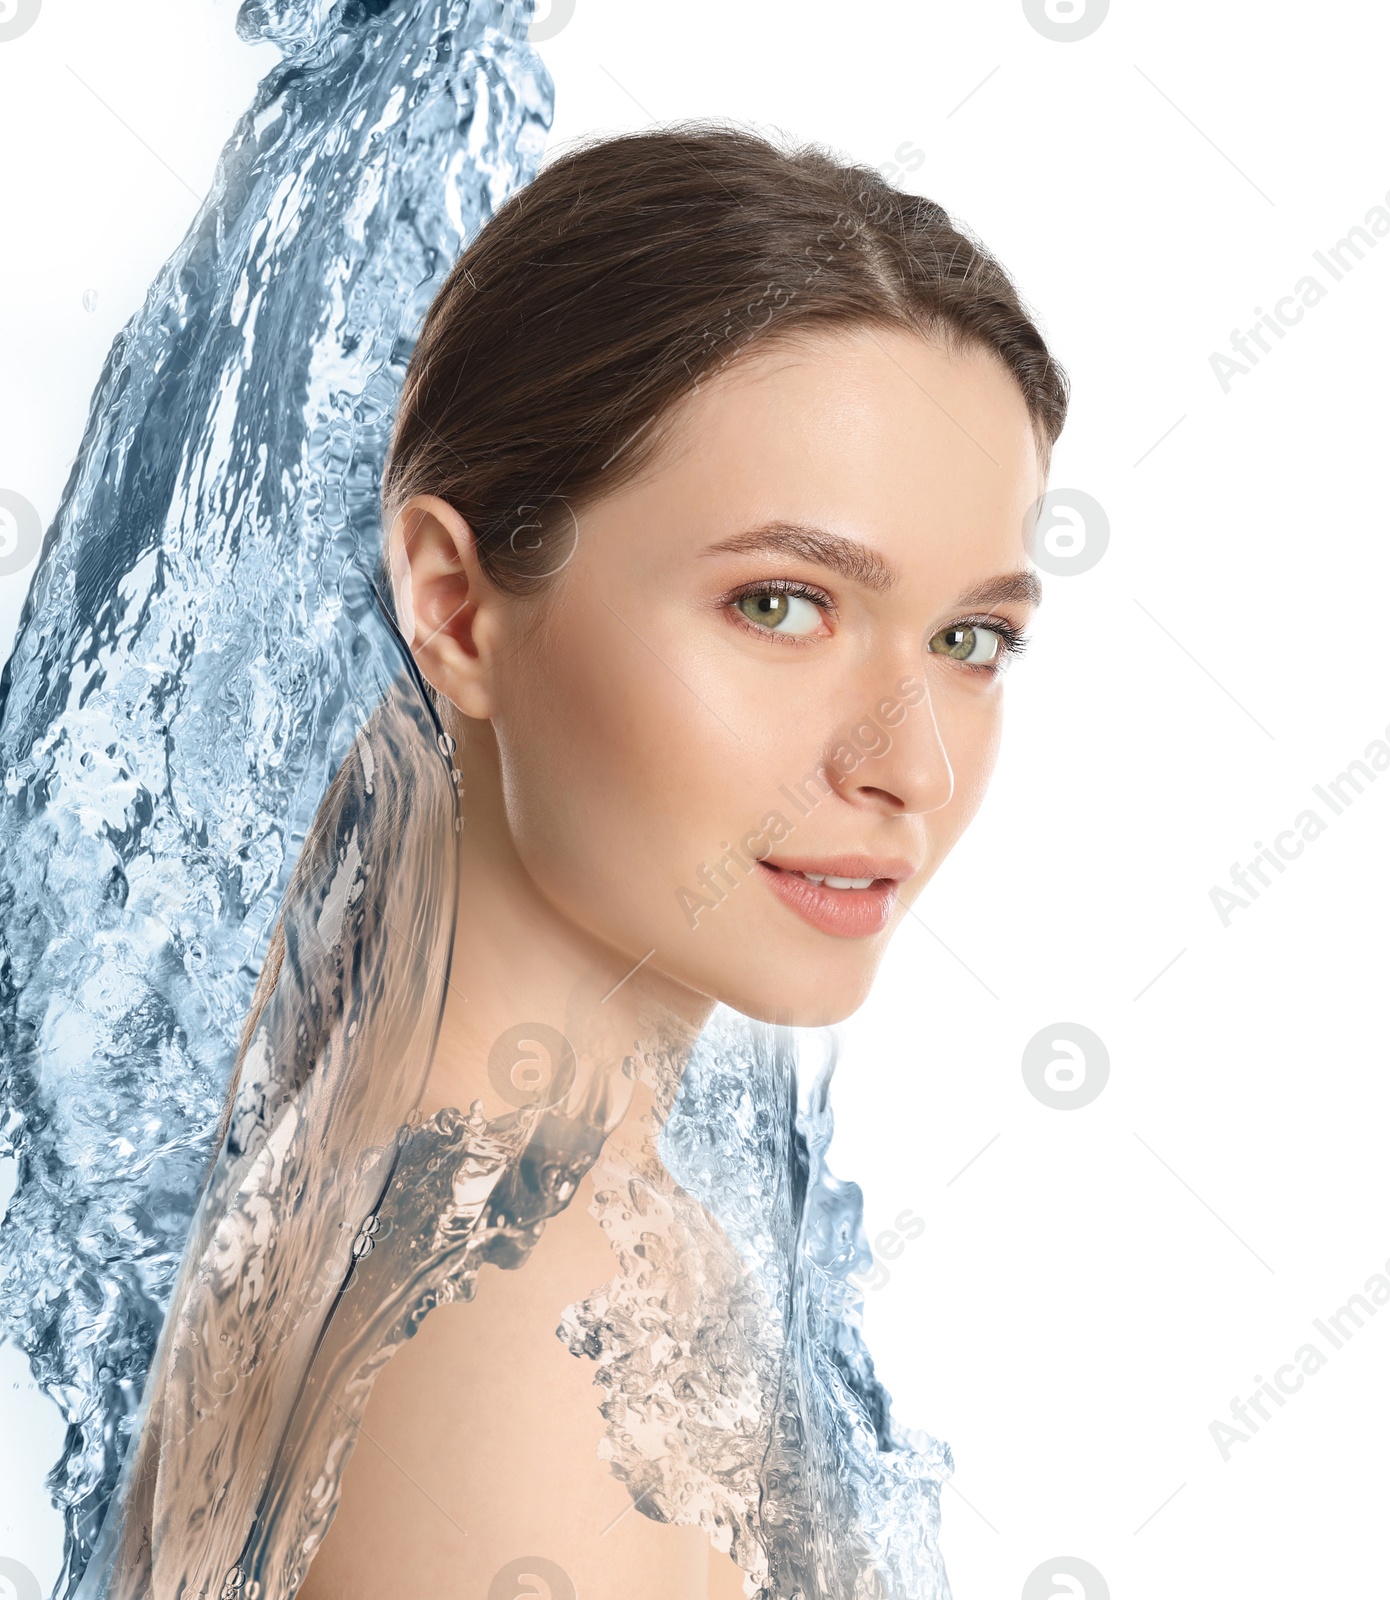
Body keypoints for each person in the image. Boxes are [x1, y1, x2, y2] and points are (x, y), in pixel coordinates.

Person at [106, 123, 1067, 1600]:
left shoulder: (431, 1204)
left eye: (969, 640)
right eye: (782, 605)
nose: (912, 765)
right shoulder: (520, 1335)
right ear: (457, 604)